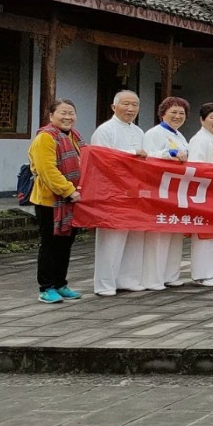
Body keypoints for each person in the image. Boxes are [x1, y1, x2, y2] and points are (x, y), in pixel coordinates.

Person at [89, 90, 147, 295]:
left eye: (135, 105)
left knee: (134, 236)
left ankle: (128, 279)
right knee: (111, 239)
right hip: (112, 191)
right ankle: (105, 284)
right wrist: (131, 154)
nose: (130, 109)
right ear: (114, 107)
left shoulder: (139, 132)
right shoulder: (105, 130)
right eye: (126, 104)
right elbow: (100, 160)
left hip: (134, 191)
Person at [29, 99, 84, 304]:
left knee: (65, 243)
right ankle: (46, 287)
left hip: (71, 201)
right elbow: (47, 170)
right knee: (50, 244)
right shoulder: (46, 137)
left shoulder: (74, 136)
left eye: (71, 113)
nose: (68, 117)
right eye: (63, 113)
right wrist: (69, 190)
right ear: (51, 115)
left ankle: (61, 283)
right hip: (50, 201)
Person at [142, 96, 192, 291]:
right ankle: (153, 279)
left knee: (174, 234)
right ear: (162, 113)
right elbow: (148, 157)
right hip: (159, 189)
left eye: (181, 113)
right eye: (173, 112)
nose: (177, 116)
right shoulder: (154, 133)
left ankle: (171, 275)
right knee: (159, 235)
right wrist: (169, 154)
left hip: (177, 190)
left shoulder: (180, 136)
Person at [186, 103, 213, 287]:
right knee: (204, 234)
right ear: (202, 119)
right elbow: (196, 165)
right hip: (203, 192)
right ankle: (202, 274)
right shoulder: (200, 139)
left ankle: (212, 272)